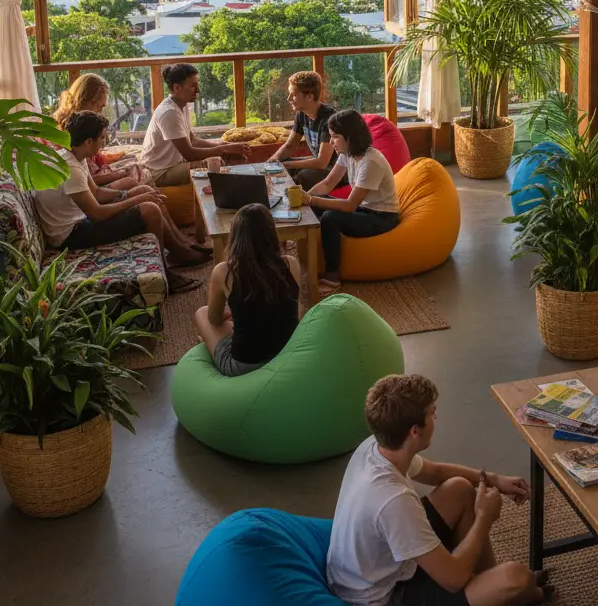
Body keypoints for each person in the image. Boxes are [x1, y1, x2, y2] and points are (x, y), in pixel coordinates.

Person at [327, 374, 552, 606]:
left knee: (460, 489)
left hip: (384, 566)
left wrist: (493, 479)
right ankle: (517, 593)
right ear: (415, 431)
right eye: (431, 412)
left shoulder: (378, 447)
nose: (436, 416)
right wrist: (485, 516)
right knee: (515, 578)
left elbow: (436, 472)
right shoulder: (393, 500)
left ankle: (490, 586)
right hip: (383, 595)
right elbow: (453, 579)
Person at [35, 111, 206, 290]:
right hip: (71, 236)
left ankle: (181, 248)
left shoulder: (75, 155)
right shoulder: (71, 168)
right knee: (149, 209)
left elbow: (97, 192)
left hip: (78, 220)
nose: (104, 142)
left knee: (145, 190)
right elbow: (97, 214)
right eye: (102, 138)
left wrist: (132, 194)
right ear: (88, 142)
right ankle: (168, 274)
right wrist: (136, 200)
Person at [193, 203, 300, 377]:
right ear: (272, 233)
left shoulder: (224, 272)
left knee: (202, 313)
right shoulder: (291, 264)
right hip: (287, 355)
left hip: (243, 366)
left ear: (235, 236)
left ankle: (211, 345)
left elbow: (213, 319)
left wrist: (229, 314)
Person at [299, 109, 400, 288]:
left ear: (350, 137)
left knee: (330, 218)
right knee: (318, 202)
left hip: (382, 217)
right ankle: (311, 255)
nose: (331, 142)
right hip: (364, 210)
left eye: (335, 136)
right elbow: (328, 183)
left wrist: (311, 200)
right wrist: (306, 199)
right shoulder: (347, 154)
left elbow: (349, 206)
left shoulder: (371, 161)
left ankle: (332, 276)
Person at [139, 63, 251, 185]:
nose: (198, 90)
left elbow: (192, 140)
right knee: (215, 162)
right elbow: (190, 154)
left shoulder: (182, 104)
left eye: (197, 85)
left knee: (236, 157)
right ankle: (219, 198)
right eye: (193, 86)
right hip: (159, 172)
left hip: (176, 163)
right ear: (177, 88)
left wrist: (224, 145)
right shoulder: (169, 112)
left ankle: (238, 192)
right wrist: (224, 149)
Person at [55, 73, 148, 191]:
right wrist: (116, 174)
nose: (101, 111)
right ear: (86, 101)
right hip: (91, 184)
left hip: (95, 175)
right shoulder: (72, 129)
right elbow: (82, 177)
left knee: (134, 160)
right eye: (100, 106)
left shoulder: (84, 123)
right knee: (136, 170)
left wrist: (115, 158)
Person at [268, 70, 337, 186]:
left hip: (336, 169)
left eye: (293, 95)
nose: (289, 98)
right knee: (279, 165)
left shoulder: (329, 119)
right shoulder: (301, 115)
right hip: (320, 164)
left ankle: (294, 201)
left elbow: (322, 162)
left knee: (303, 175)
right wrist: (272, 161)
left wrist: (287, 165)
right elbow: (289, 146)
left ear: (310, 96)